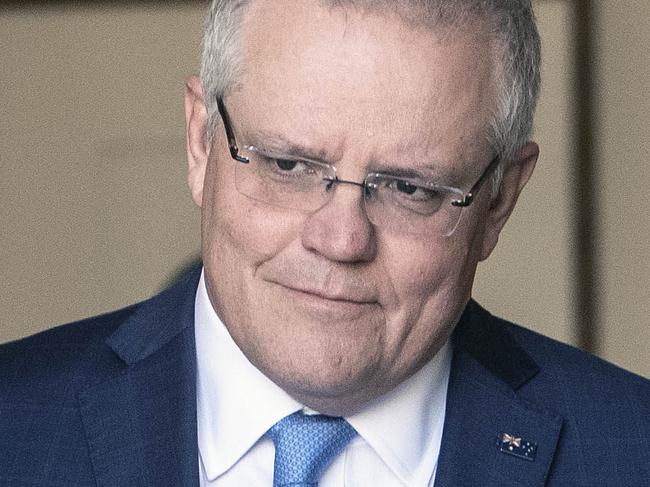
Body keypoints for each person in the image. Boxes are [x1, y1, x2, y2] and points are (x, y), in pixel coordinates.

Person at [1, 0, 649, 485]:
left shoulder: (630, 452)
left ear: (499, 200)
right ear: (200, 142)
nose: (341, 239)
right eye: (288, 165)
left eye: (408, 187)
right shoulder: (15, 427)